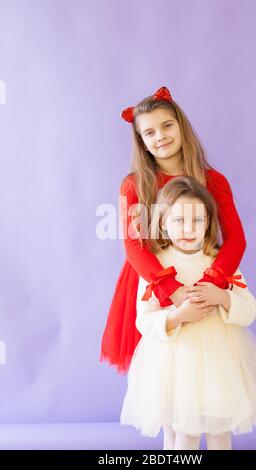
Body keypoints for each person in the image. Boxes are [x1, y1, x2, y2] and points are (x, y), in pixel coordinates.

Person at [120, 175, 256, 450]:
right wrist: (178, 316)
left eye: (197, 220)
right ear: (163, 222)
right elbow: (144, 320)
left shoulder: (221, 263)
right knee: (182, 434)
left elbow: (249, 308)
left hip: (219, 363)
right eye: (179, 220)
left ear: (208, 224)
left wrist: (223, 297)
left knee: (219, 431)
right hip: (174, 364)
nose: (188, 228)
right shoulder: (157, 268)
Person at [100, 86, 247, 374]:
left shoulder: (214, 180)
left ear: (181, 126)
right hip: (151, 279)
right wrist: (170, 289)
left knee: (201, 360)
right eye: (150, 132)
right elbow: (134, 245)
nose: (161, 136)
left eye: (167, 125)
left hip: (203, 275)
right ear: (142, 142)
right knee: (161, 361)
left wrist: (211, 284)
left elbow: (235, 239)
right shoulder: (133, 185)